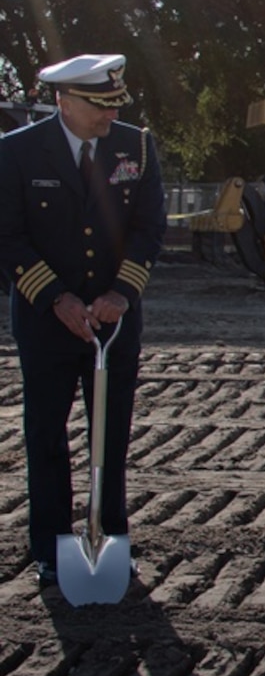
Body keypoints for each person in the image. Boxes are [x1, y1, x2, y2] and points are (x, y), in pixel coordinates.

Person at [0, 54, 164, 587]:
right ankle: (50, 548)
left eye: (115, 105)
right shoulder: (16, 153)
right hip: (47, 321)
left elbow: (148, 226)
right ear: (63, 102)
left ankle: (111, 538)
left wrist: (121, 292)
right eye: (99, 107)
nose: (109, 117)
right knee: (46, 433)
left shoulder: (135, 145)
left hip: (114, 321)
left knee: (110, 434)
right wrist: (55, 298)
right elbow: (8, 237)